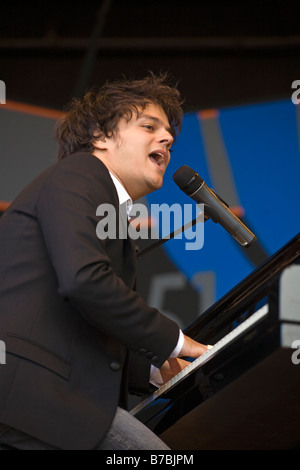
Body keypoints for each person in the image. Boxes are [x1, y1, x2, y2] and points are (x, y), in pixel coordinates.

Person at [0, 73, 209, 450]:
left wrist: (152, 366)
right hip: (31, 395)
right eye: (149, 126)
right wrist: (176, 342)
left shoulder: (105, 206)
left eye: (169, 134)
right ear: (99, 136)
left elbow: (74, 316)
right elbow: (85, 281)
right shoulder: (83, 172)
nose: (167, 139)